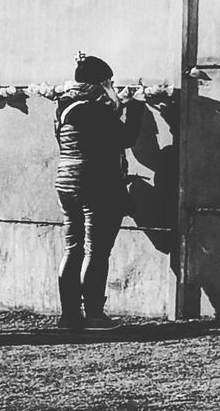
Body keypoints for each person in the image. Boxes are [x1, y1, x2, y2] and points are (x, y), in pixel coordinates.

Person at [54, 53, 144, 332]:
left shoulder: (65, 104)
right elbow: (124, 138)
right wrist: (135, 108)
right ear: (102, 82)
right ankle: (94, 315)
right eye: (109, 81)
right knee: (96, 249)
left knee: (73, 248)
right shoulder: (94, 108)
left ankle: (70, 315)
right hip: (95, 181)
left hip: (66, 179)